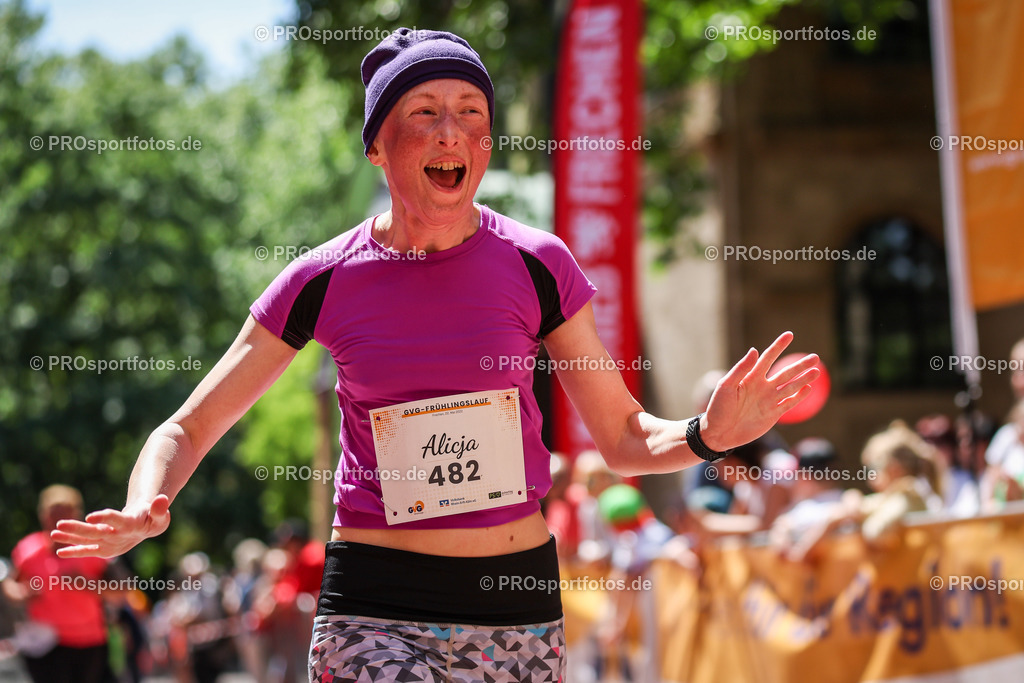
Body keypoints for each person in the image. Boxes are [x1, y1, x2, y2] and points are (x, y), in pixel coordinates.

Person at [51, 28, 820, 681]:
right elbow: (185, 428)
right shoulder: (321, 279)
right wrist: (143, 505)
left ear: (486, 143)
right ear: (378, 146)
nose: (451, 131)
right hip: (376, 605)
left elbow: (622, 437)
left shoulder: (537, 263)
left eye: (470, 113)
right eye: (424, 112)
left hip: (516, 605)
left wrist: (704, 434)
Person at [8, 485, 111, 683]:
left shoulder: (92, 548)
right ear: (43, 515)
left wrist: (85, 584)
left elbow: (120, 590)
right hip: (46, 642)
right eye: (53, 514)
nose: (58, 521)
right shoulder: (29, 549)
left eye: (65, 514)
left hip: (88, 641)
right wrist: (22, 594)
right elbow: (10, 585)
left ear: (77, 514)